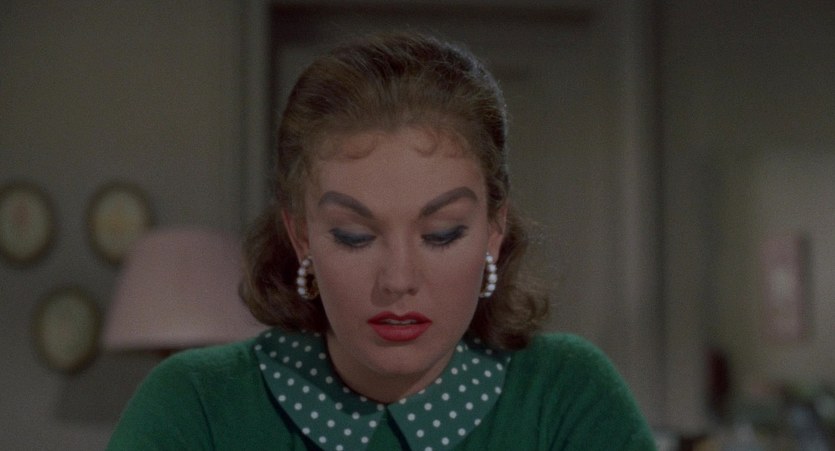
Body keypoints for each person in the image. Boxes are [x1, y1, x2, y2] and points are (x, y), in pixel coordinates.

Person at [108, 32, 656, 450]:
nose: (398, 280)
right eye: (354, 237)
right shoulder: (197, 405)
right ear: (301, 236)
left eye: (441, 235)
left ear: (494, 230)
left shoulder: (564, 395)